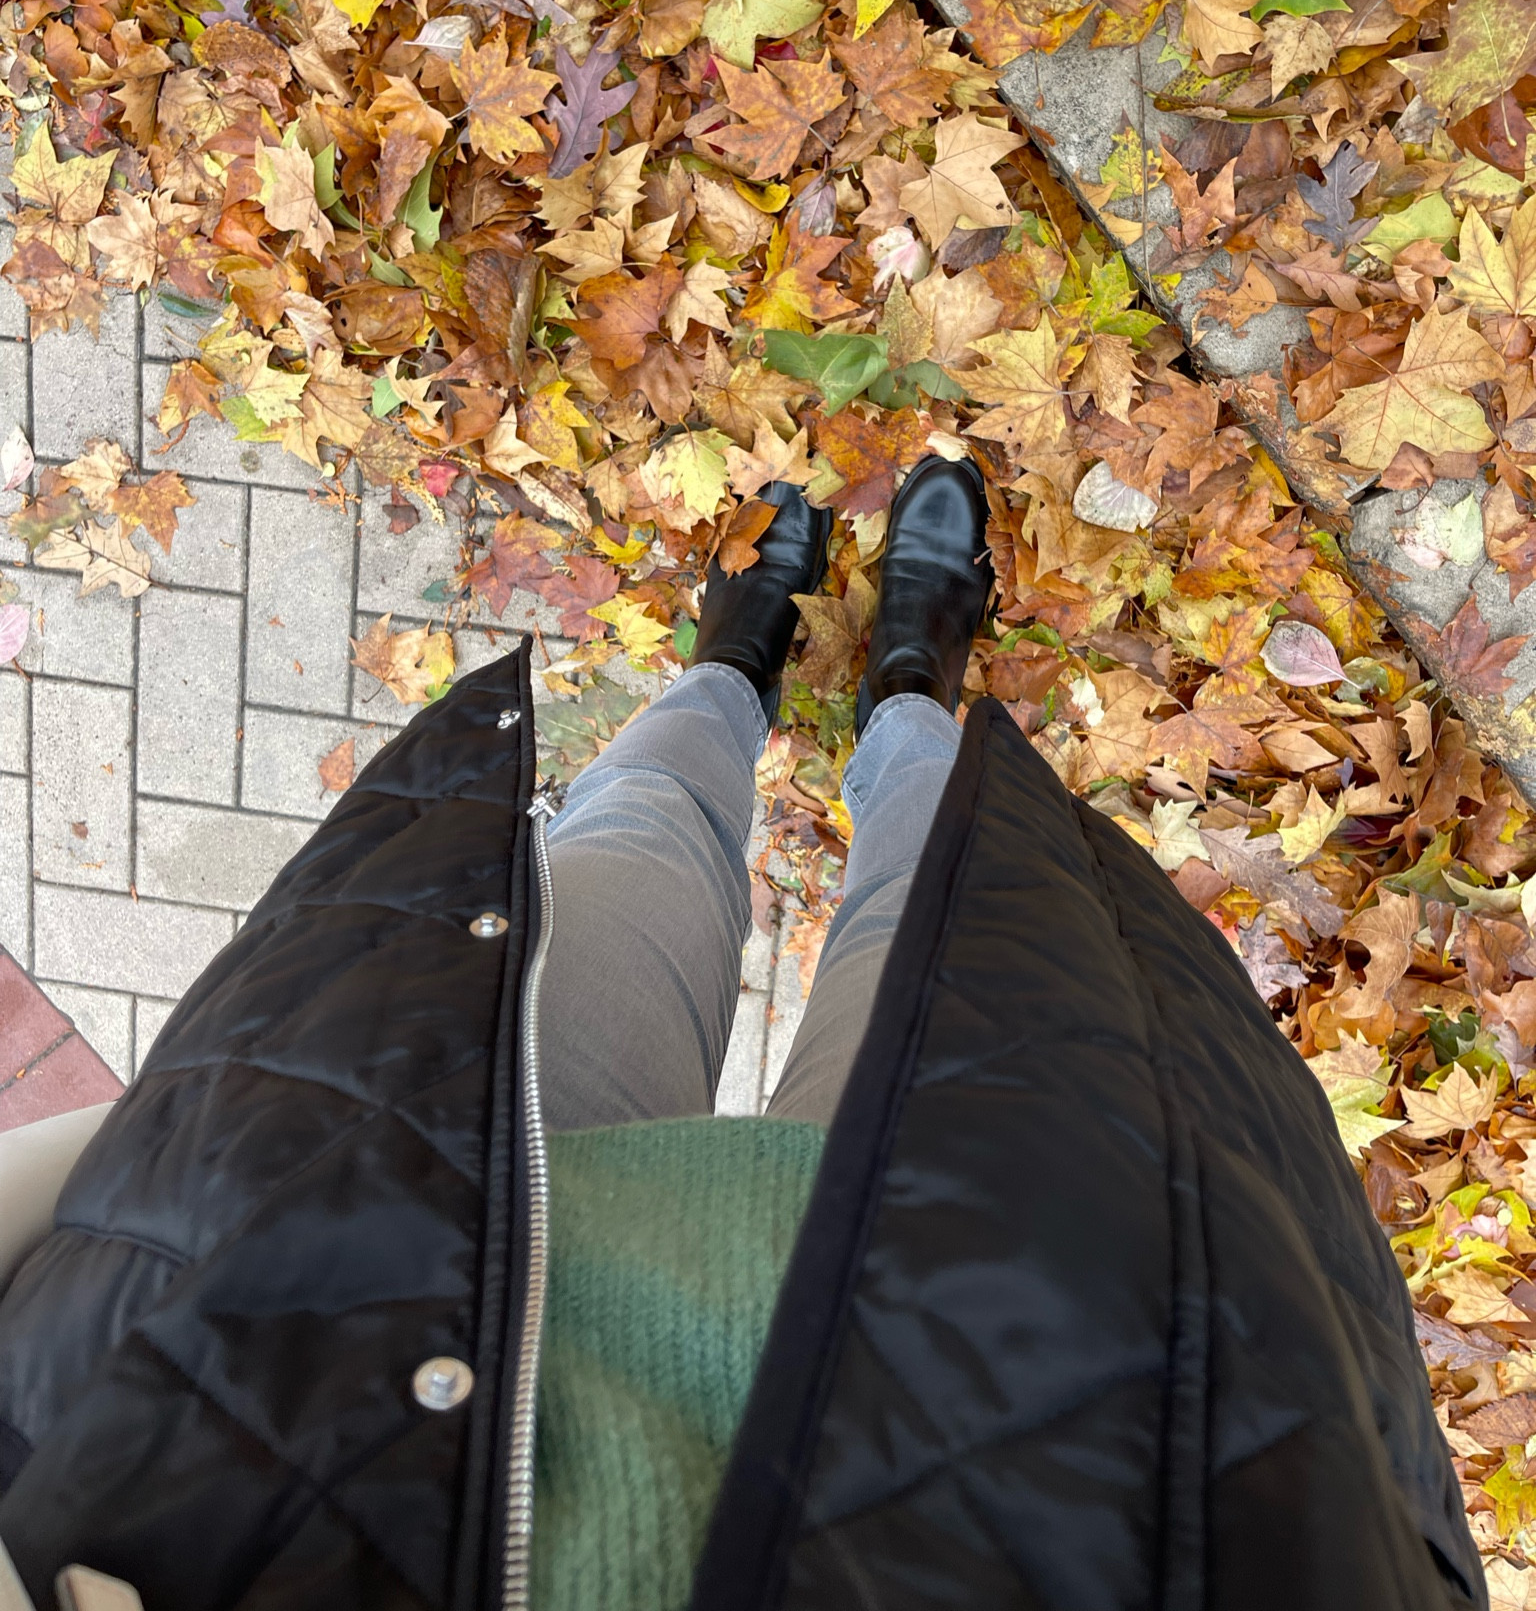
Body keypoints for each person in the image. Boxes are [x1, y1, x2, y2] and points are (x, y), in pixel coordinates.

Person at [0, 459, 1485, 1611]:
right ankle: (911, 684)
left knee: (636, 837)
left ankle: (739, 657)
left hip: (348, 1251)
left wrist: (110, 1185)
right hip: (1043, 1323)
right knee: (944, 887)